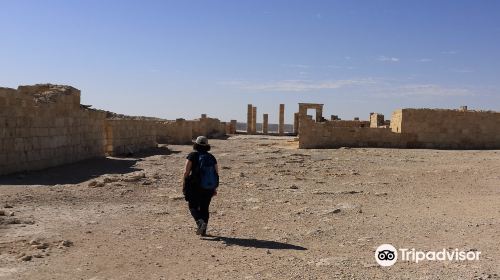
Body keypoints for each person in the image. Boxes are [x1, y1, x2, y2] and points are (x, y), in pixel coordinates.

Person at [183, 136, 219, 236]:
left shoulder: (192, 155)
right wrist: (214, 188)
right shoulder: (211, 157)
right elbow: (216, 173)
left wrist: (185, 184)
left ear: (196, 144)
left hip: (195, 186)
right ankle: (203, 231)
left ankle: (199, 222)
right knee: (205, 208)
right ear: (207, 145)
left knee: (192, 206)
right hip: (208, 187)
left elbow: (186, 172)